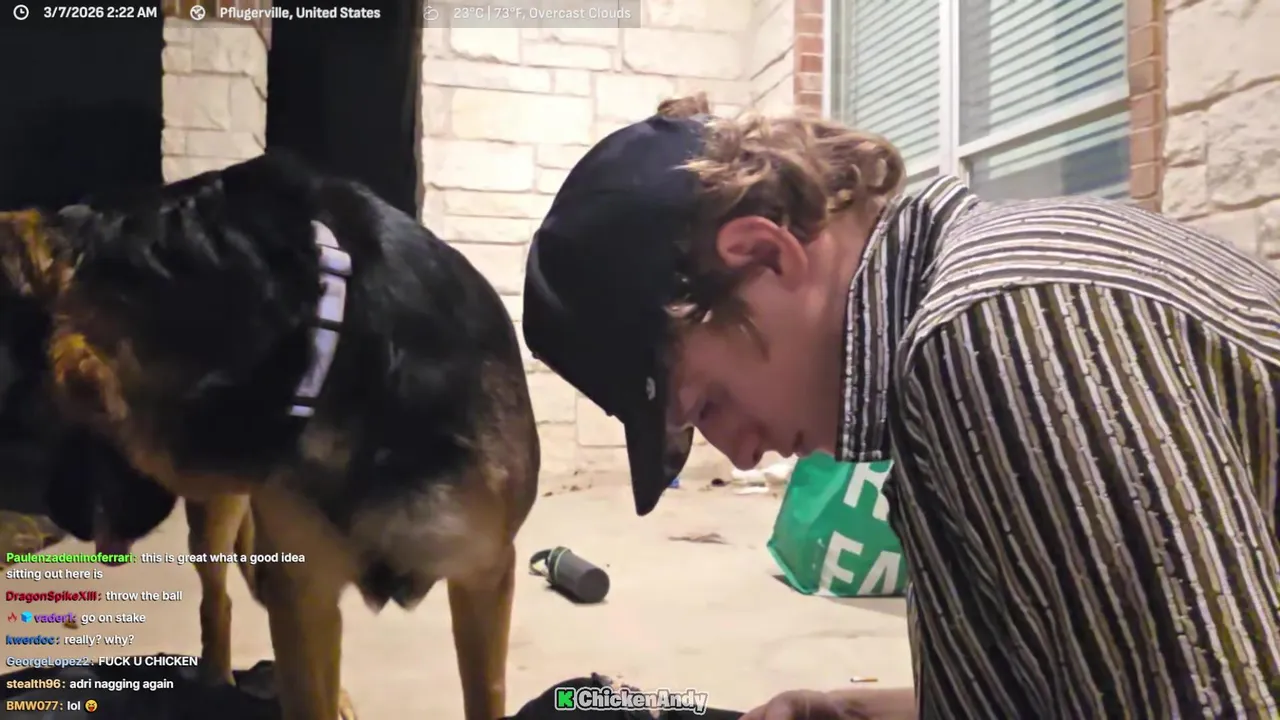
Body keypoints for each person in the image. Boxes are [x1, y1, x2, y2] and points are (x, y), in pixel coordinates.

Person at [521, 92, 1280, 719]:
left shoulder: (996, 329)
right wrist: (852, 710)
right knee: (581, 709)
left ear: (765, 256)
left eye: (708, 403)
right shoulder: (944, 344)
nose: (743, 454)